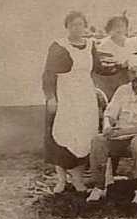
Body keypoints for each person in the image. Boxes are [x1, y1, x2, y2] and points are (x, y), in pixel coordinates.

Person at [42, 11, 109, 193]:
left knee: (84, 135)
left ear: (85, 26)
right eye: (73, 25)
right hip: (65, 96)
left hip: (85, 97)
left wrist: (122, 64)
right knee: (62, 134)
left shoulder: (90, 45)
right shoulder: (59, 46)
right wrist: (51, 97)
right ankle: (61, 180)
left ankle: (78, 179)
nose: (77, 28)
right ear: (67, 27)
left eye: (80, 24)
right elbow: (48, 74)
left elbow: (99, 68)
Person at [86, 55, 137, 205]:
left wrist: (122, 132)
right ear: (128, 74)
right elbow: (109, 114)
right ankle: (99, 187)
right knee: (98, 141)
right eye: (133, 72)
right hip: (119, 135)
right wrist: (108, 127)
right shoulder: (122, 90)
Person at [94, 15, 137, 100]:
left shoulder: (133, 42)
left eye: (122, 26)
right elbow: (103, 65)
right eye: (115, 26)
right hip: (113, 79)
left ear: (126, 28)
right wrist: (120, 64)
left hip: (132, 77)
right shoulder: (105, 45)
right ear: (109, 29)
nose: (119, 29)